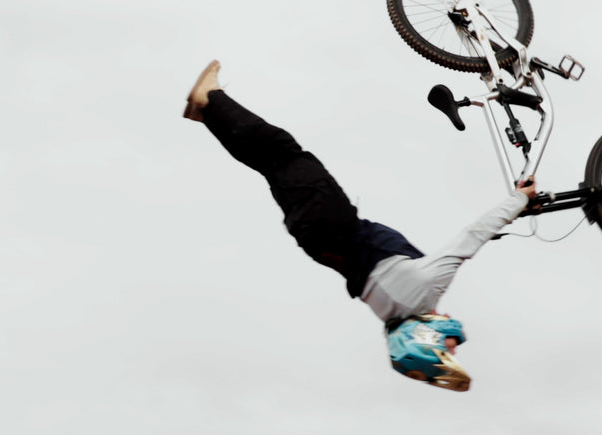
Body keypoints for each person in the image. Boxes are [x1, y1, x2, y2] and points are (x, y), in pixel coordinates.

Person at [183, 60, 534, 392]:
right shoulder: (391, 311)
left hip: (331, 222)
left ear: (424, 337)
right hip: (317, 240)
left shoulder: (423, 288)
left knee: (282, 152)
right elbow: (422, 329)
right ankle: (207, 111)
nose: (452, 342)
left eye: (446, 347)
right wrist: (443, 344)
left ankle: (211, 100)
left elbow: (473, 236)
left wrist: (519, 201)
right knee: (271, 163)